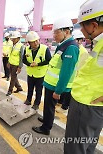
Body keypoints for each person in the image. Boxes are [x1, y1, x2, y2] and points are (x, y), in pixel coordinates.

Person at [64, 0, 103, 153]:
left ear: (93, 25)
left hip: (86, 105)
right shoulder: (97, 43)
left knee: (75, 148)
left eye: (82, 25)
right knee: (88, 147)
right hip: (93, 106)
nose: (81, 30)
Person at [32, 17, 79, 135]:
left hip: (55, 86)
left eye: (56, 32)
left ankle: (46, 128)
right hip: (51, 84)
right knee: (48, 106)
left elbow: (66, 72)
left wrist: (58, 91)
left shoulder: (71, 48)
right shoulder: (63, 45)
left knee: (49, 106)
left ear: (66, 32)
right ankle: (47, 119)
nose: (54, 36)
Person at [56, 29, 89, 113]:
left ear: (81, 40)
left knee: (68, 93)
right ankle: (60, 102)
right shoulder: (71, 47)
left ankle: (64, 107)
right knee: (64, 90)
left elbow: (82, 66)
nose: (76, 41)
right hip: (71, 75)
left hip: (76, 76)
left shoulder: (83, 51)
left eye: (78, 40)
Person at [23, 31, 51, 110]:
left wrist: (38, 64)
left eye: (37, 40)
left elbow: (49, 60)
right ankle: (28, 100)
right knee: (30, 88)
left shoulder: (44, 48)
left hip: (40, 74)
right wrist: (29, 64)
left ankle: (36, 103)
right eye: (33, 42)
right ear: (29, 43)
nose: (36, 43)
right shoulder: (26, 49)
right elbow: (24, 60)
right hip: (30, 73)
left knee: (38, 90)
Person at [6, 31, 24, 96]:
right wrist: (8, 62)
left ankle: (10, 90)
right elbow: (10, 54)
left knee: (13, 78)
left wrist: (20, 67)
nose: (12, 40)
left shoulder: (21, 46)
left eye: (14, 38)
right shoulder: (12, 45)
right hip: (11, 63)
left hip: (16, 65)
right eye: (12, 38)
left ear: (18, 38)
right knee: (14, 76)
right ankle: (19, 88)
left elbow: (22, 57)